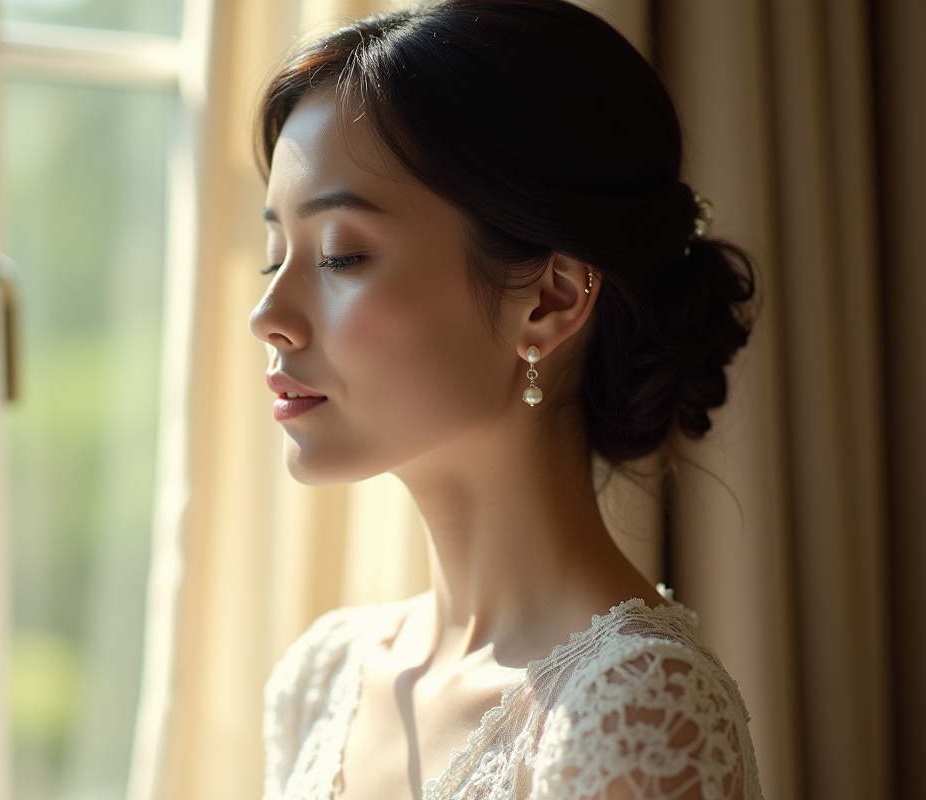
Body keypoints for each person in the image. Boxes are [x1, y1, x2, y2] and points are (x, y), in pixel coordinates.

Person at [248, 1, 763, 797]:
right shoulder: (322, 677)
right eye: (274, 254)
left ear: (551, 299)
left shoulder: (633, 713)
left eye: (341, 255)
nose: (267, 316)